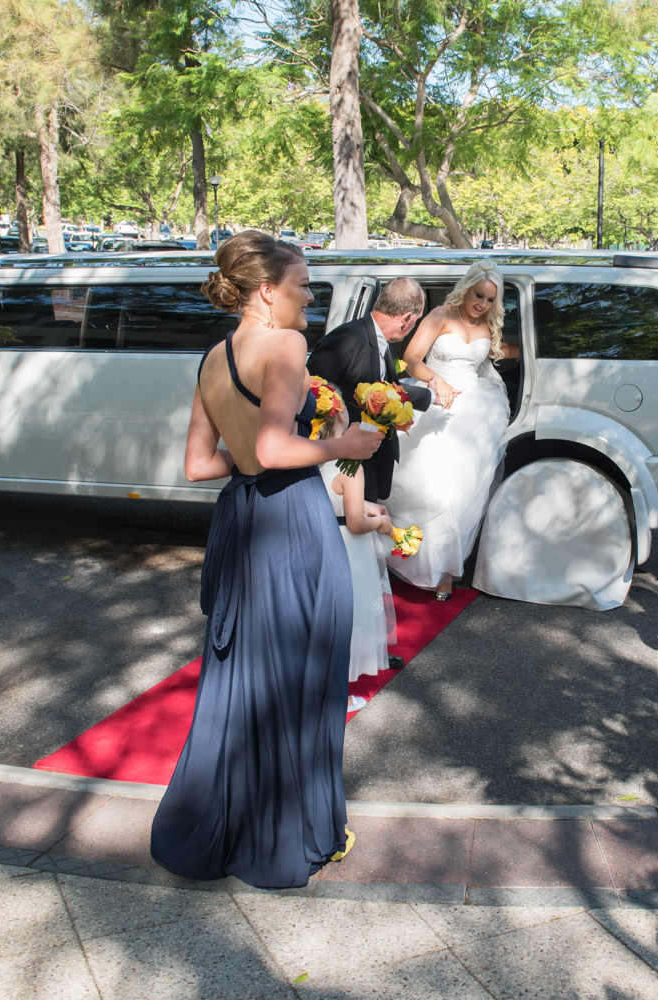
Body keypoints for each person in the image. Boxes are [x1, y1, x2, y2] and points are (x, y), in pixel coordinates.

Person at [149, 231, 383, 889]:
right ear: (267, 290)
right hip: (290, 522)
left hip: (242, 518)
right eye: (304, 284)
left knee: (242, 680)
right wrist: (349, 446)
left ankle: (222, 831)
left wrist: (262, 450)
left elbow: (200, 466)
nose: (312, 294)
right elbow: (278, 451)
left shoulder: (215, 355)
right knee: (303, 674)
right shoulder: (284, 344)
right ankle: (288, 837)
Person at [389, 260, 517, 601]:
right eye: (479, 296)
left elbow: (498, 353)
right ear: (467, 288)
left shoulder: (488, 325)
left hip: (475, 409)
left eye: (490, 300)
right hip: (436, 398)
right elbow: (412, 359)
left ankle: (445, 571)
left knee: (462, 494)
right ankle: (410, 555)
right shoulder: (440, 316)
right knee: (430, 487)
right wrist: (436, 379)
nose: (483, 305)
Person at [307, 277, 434, 503]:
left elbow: (386, 388)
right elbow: (313, 397)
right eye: (416, 321)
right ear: (406, 319)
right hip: (343, 462)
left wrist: (430, 396)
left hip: (367, 459)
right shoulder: (345, 340)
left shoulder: (379, 339)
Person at [321, 416, 398, 698]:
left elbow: (334, 497)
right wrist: (381, 525)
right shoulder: (351, 467)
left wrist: (368, 505)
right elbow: (355, 523)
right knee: (353, 615)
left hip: (326, 540)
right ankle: (338, 692)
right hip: (350, 547)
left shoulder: (315, 461)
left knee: (329, 615)